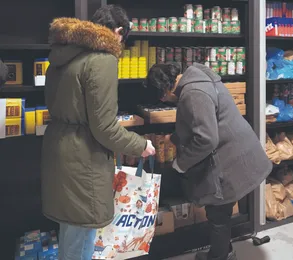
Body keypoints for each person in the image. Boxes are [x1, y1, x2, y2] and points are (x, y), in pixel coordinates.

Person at [40, 5, 155, 260]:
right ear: (118, 32)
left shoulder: (62, 55)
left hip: (60, 150)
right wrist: (140, 144)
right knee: (80, 239)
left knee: (71, 232)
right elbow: (104, 127)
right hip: (84, 158)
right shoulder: (102, 59)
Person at [145, 62, 273, 260]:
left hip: (228, 155)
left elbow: (206, 139)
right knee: (221, 210)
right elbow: (200, 120)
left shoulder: (192, 93)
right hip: (236, 149)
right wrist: (176, 138)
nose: (167, 101)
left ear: (164, 89)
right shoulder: (197, 77)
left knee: (218, 214)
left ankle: (220, 256)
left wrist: (180, 164)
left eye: (163, 98)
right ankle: (224, 251)